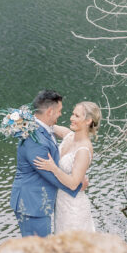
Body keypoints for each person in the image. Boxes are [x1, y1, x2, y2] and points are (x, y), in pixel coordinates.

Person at [9, 90, 82, 237]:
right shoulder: (36, 141)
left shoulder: (40, 127)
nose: (61, 114)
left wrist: (74, 136)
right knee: (39, 251)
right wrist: (77, 186)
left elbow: (54, 131)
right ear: (49, 111)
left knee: (39, 250)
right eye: (59, 111)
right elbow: (50, 175)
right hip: (31, 204)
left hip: (35, 202)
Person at [33, 101, 101, 232]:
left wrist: (53, 168)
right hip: (61, 205)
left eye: (76, 116)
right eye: (72, 114)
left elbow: (74, 184)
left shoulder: (84, 149)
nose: (71, 118)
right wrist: (22, 118)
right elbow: (47, 124)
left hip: (74, 209)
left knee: (74, 249)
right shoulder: (68, 135)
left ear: (88, 121)